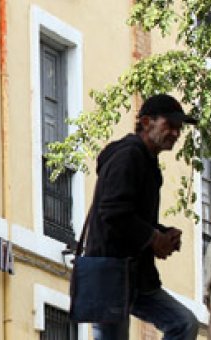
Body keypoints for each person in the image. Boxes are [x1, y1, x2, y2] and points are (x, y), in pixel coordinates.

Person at [84, 94, 199, 340]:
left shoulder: (146, 160)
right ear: (146, 122)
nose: (176, 134)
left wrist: (162, 233)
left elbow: (128, 213)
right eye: (170, 126)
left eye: (179, 129)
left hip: (136, 276)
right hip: (110, 274)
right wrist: (153, 238)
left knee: (184, 323)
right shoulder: (129, 155)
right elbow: (112, 211)